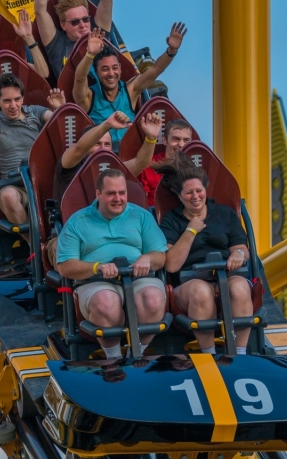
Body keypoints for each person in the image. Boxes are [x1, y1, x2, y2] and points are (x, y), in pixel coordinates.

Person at [57, 168, 168, 360]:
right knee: (106, 303)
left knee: (153, 298)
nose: (118, 198)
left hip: (138, 278)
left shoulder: (141, 216)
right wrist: (95, 267)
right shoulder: (77, 221)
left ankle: (137, 355)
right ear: (98, 194)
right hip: (95, 281)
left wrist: (147, 258)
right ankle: (114, 358)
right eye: (111, 193)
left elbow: (160, 256)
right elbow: (65, 266)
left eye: (122, 193)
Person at [156, 155, 253, 355]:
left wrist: (239, 255)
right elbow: (171, 265)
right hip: (189, 280)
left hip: (226, 274)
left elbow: (241, 248)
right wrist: (190, 231)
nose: (195, 196)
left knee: (240, 289)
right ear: (180, 196)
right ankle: (209, 353)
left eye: (199, 191)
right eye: (189, 193)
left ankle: (241, 352)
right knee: (201, 291)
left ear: (205, 191)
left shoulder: (224, 214)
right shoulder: (171, 221)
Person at [44, 111, 162, 268]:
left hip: (110, 232)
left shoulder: (114, 172)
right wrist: (106, 125)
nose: (103, 149)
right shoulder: (69, 167)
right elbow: (79, 148)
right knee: (59, 247)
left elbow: (141, 162)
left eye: (107, 145)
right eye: (97, 144)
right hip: (72, 234)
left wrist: (151, 138)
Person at [0, 74, 65, 226]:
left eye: (17, 99)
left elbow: (62, 126)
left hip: (45, 180)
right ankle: (34, 246)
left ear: (23, 99)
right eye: (7, 101)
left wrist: (59, 109)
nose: (13, 105)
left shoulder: (35, 112)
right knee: (7, 197)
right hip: (16, 185)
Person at [73, 24, 186, 142]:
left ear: (120, 69)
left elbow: (156, 69)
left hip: (127, 154)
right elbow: (79, 79)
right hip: (101, 152)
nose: (111, 73)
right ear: (96, 72)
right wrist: (89, 55)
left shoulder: (131, 90)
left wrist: (171, 51)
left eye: (115, 68)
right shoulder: (88, 97)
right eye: (105, 69)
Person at [138, 118, 193, 206]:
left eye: (186, 140)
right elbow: (142, 201)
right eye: (176, 139)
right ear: (164, 140)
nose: (181, 145)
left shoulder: (195, 168)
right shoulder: (148, 164)